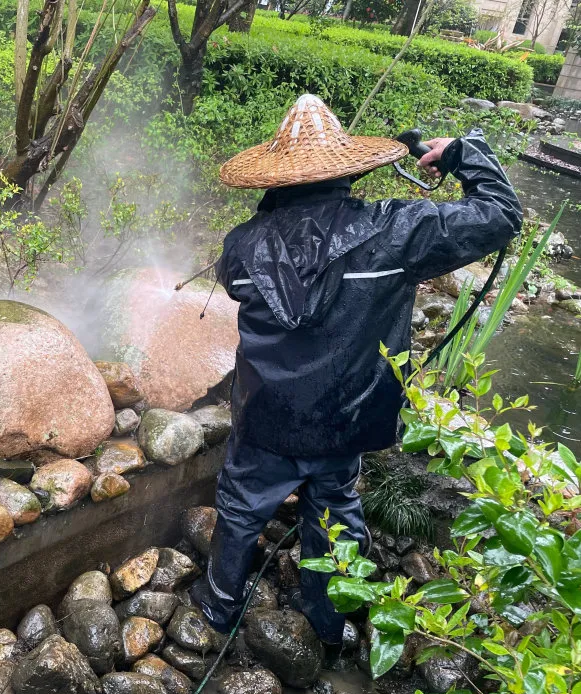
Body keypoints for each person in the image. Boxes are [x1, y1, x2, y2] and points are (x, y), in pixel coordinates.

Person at [190, 94, 523, 647]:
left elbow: (247, 278)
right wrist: (463, 155)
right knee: (335, 508)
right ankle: (327, 618)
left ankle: (220, 604)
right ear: (348, 169)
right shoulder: (398, 230)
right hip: (348, 418)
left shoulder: (241, 246)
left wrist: (274, 220)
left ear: (276, 179)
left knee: (242, 504)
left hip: (266, 416)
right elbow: (500, 215)